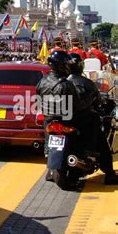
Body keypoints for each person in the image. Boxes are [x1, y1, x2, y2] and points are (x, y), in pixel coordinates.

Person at [67, 53, 118, 184]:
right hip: (85, 119)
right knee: (102, 144)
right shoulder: (87, 83)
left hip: (65, 119)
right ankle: (110, 174)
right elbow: (97, 101)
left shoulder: (62, 82)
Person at [36, 50, 80, 181]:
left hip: (49, 119)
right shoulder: (66, 84)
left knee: (47, 142)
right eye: (66, 64)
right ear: (61, 65)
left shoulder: (42, 82)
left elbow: (38, 100)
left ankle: (50, 169)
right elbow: (76, 104)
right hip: (66, 118)